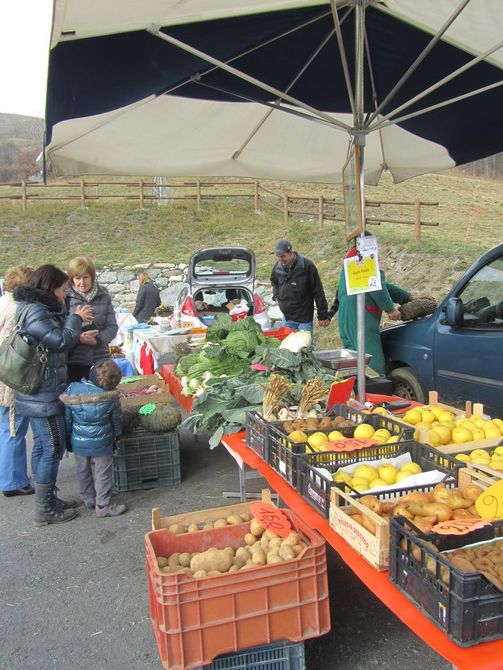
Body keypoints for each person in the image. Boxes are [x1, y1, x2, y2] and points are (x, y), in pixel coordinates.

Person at [13, 264, 93, 525]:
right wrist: (76, 318)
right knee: (53, 449)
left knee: (41, 447)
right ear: (50, 287)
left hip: (38, 392)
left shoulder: (34, 306)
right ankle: (44, 509)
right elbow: (59, 341)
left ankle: (48, 499)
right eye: (61, 289)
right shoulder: (36, 310)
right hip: (43, 394)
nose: (63, 294)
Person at [336, 239, 413, 377]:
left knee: (352, 354)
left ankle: (354, 390)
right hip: (359, 313)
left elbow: (381, 285)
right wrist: (390, 309)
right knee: (371, 357)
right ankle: (377, 389)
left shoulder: (350, 260)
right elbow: (376, 287)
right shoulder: (365, 259)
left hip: (345, 312)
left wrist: (406, 297)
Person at [61, 359, 126, 517]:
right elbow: (116, 421)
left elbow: (68, 420)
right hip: (103, 443)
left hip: (79, 442)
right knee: (102, 472)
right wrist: (117, 437)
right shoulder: (111, 397)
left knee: (83, 469)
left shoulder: (73, 391)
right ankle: (103, 505)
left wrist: (69, 439)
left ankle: (88, 497)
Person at [0, 264, 34, 497]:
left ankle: (10, 476)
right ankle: (13, 481)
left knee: (7, 426)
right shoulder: (16, 310)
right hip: (12, 375)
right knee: (14, 427)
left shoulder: (3, 304)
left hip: (4, 373)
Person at [66, 257, 118, 383]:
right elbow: (61, 327)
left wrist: (97, 340)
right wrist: (79, 337)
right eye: (77, 278)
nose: (82, 282)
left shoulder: (103, 295)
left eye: (85, 277)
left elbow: (112, 327)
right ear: (72, 279)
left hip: (100, 358)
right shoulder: (66, 297)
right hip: (74, 359)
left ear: (92, 277)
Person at [270, 240, 330, 341]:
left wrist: (322, 315)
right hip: (287, 317)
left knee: (305, 349)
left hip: (304, 319)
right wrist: (277, 296)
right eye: (278, 256)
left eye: (283, 256)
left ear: (290, 253)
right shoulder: (278, 267)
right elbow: (274, 282)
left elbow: (318, 291)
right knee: (288, 348)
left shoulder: (306, 266)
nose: (281, 259)